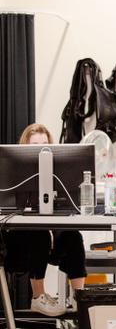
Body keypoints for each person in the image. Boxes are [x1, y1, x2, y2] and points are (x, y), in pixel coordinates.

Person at [2, 123, 87, 316]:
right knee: (38, 233)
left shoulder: (58, 171)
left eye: (44, 144)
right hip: (16, 246)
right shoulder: (12, 171)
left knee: (73, 237)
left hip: (46, 240)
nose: (40, 149)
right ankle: (37, 298)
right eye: (35, 145)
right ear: (25, 147)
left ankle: (80, 300)